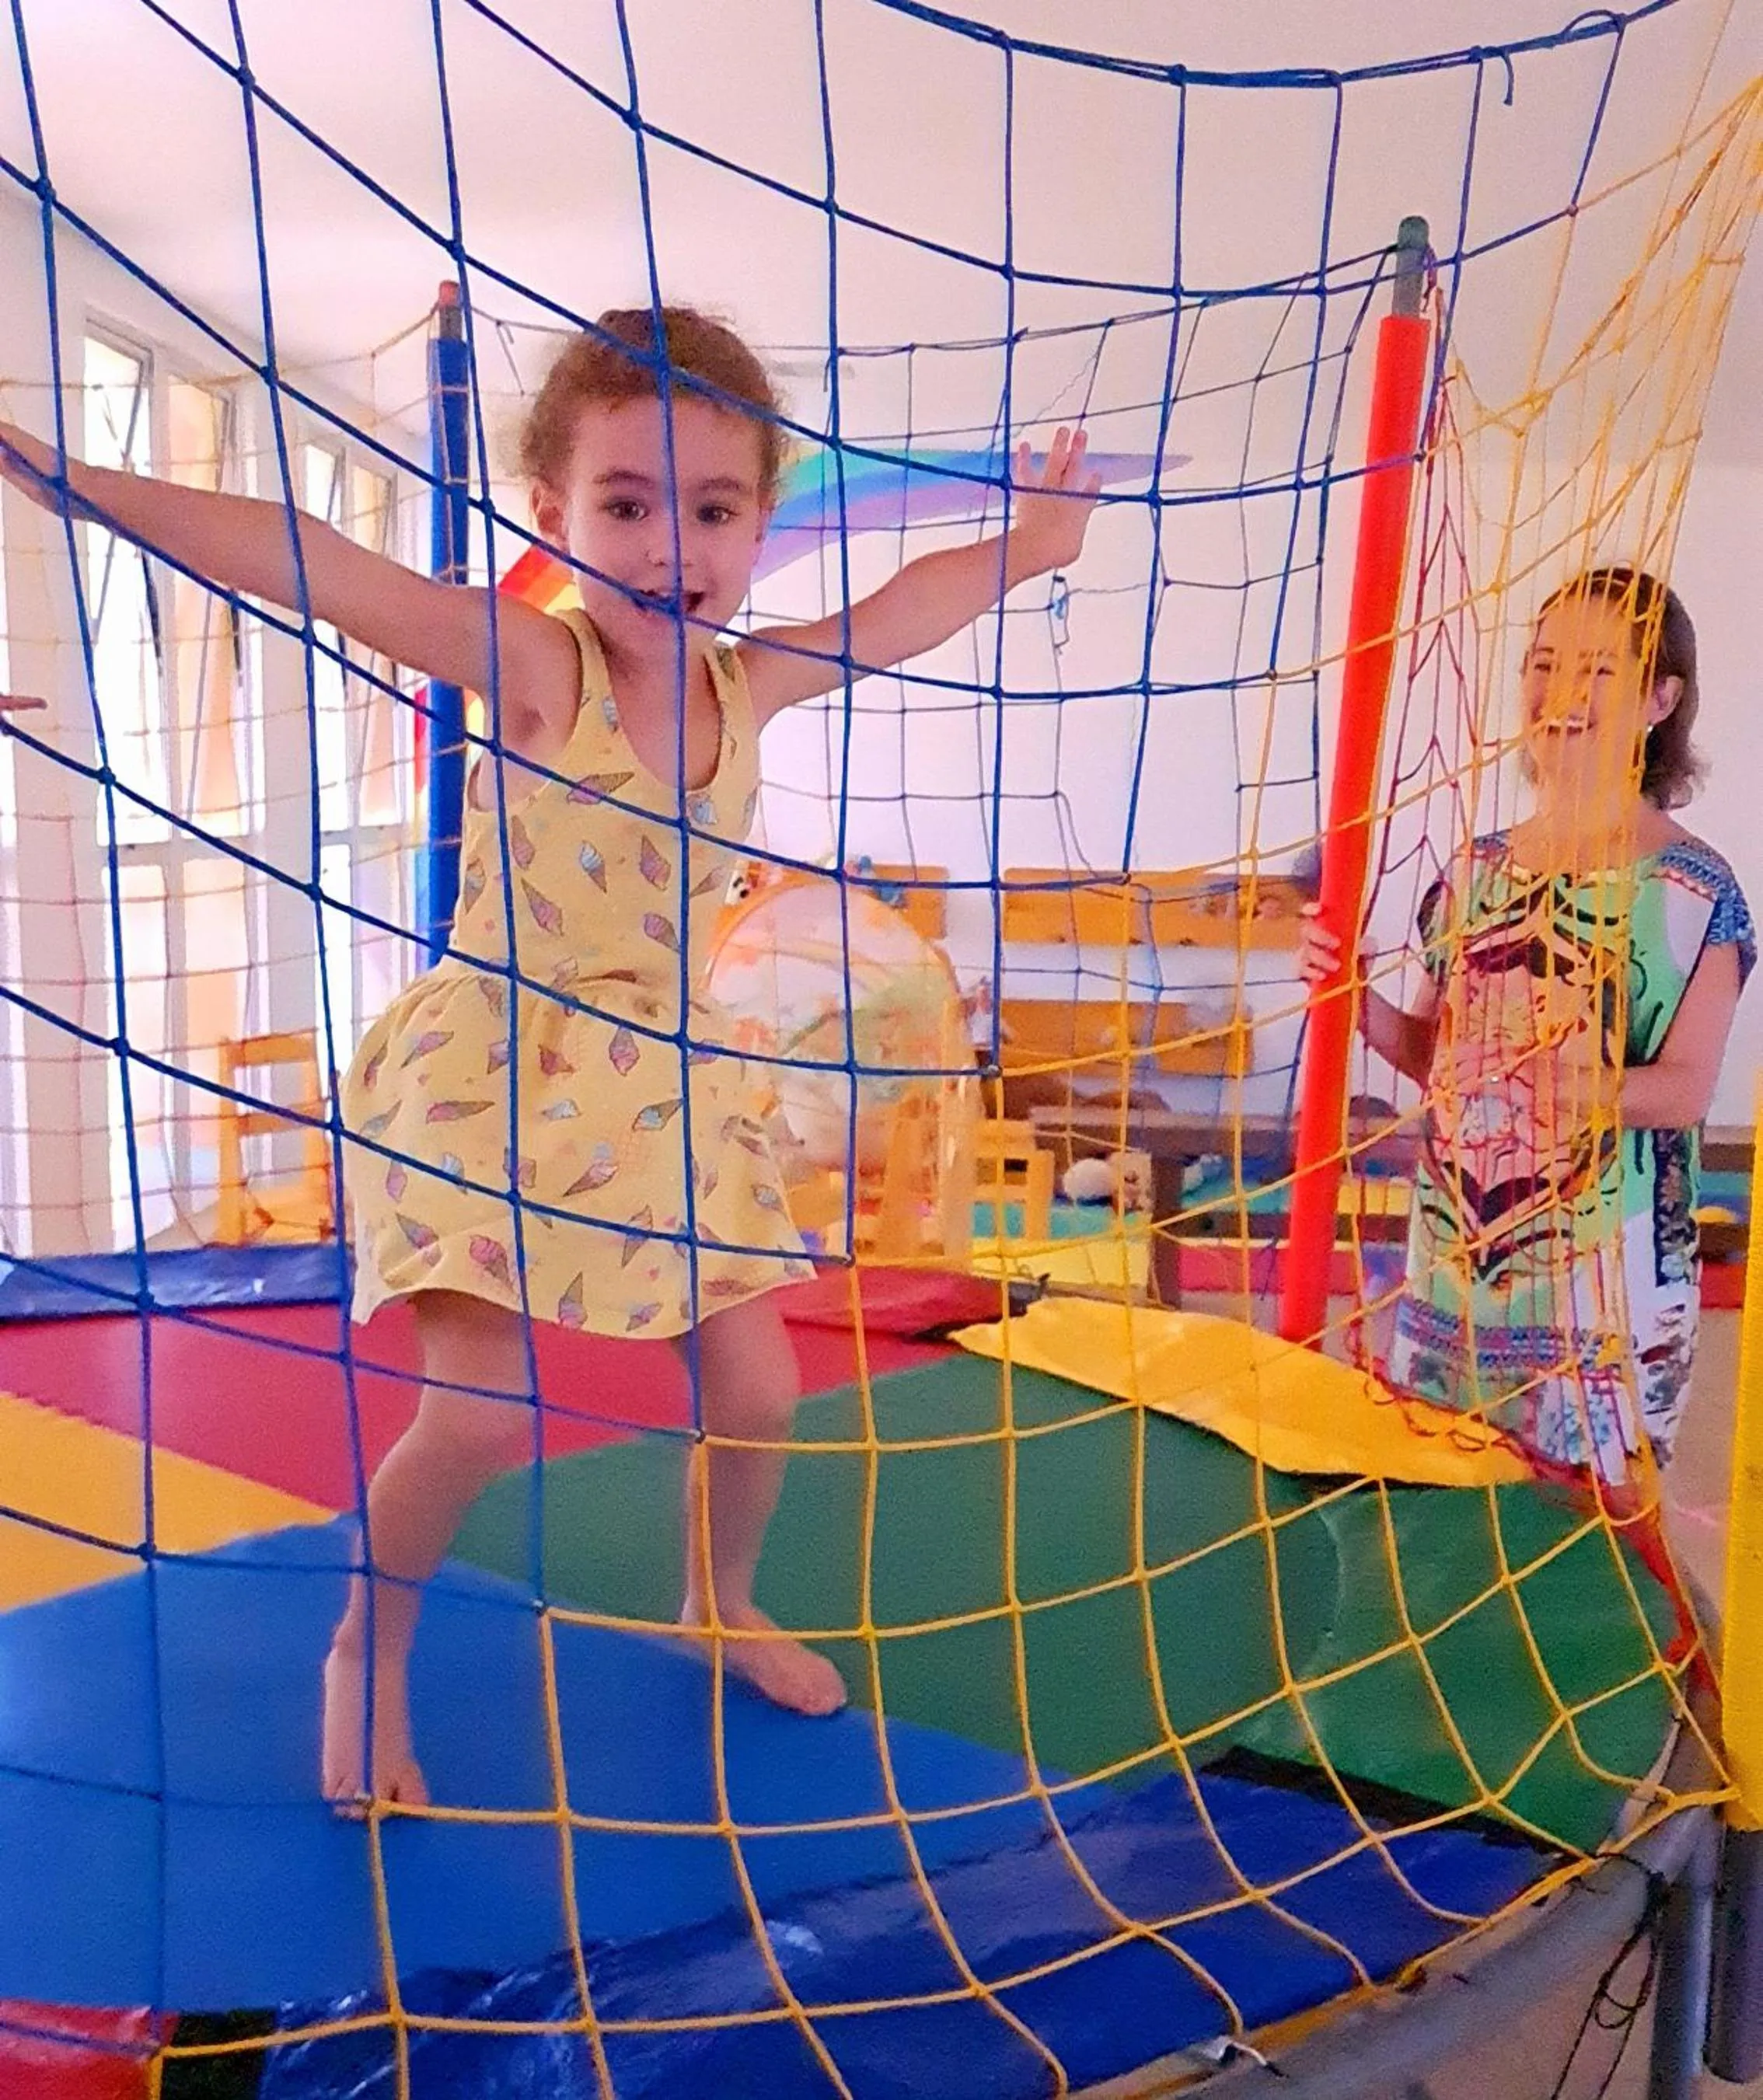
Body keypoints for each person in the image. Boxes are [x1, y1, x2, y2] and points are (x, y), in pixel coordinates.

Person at [0, 307, 1100, 1803]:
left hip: (668, 1080)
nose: (668, 546)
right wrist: (86, 483)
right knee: (479, 1414)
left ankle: (714, 1596)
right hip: (492, 1073)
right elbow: (316, 559)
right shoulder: (531, 663)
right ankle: (365, 1651)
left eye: (709, 508)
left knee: (762, 1392)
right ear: (554, 516)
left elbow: (909, 605)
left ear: (758, 523)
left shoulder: (746, 685)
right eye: (626, 504)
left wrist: (1031, 547)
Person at [1300, 568, 1751, 1486]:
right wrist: (1351, 996)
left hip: (1609, 1284)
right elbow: (1436, 1058)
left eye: (1597, 669)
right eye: (1543, 664)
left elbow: (1686, 1087)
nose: (1560, 694)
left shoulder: (1699, 890)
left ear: (1661, 698)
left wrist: (1563, 1080)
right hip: (1455, 1267)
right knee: (1441, 1511)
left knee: (1591, 1539)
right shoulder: (1474, 873)